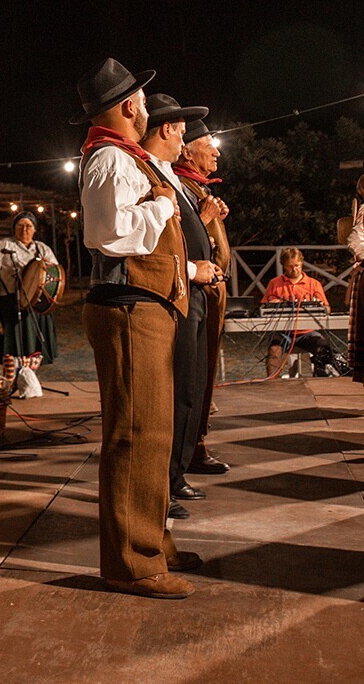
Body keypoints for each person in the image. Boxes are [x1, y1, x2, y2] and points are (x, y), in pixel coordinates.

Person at [72, 58, 206, 599]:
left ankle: (153, 543)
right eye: (144, 101)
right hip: (128, 306)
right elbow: (108, 234)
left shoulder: (126, 156)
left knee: (153, 434)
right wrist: (162, 207)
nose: (147, 109)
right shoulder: (109, 157)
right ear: (131, 106)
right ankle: (132, 563)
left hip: (144, 305)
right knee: (135, 435)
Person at [139, 94, 222, 516]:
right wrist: (193, 268)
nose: (184, 141)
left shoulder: (168, 175)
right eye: (183, 133)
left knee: (191, 387)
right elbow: (153, 244)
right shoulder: (147, 173)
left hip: (194, 291)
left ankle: (176, 474)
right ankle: (164, 482)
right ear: (168, 129)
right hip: (176, 292)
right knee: (177, 391)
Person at [175, 118, 231, 476]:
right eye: (208, 145)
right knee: (196, 374)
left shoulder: (195, 186)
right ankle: (191, 448)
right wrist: (205, 217)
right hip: (198, 289)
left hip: (212, 287)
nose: (216, 152)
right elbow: (180, 236)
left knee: (205, 372)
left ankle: (195, 443)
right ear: (187, 151)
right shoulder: (180, 184)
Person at [0, 213, 60, 368]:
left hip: (35, 301)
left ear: (34, 229)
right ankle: (11, 373)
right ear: (14, 228)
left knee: (33, 343)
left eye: (28, 226)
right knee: (12, 343)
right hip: (10, 299)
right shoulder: (4, 245)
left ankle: (30, 371)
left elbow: (54, 270)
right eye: (20, 225)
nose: (24, 229)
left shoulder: (42, 248)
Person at [262, 249, 334, 377]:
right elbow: (264, 306)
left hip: (307, 332)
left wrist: (320, 305)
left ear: (301, 263)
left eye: (297, 265)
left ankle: (322, 380)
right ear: (283, 266)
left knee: (323, 347)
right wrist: (274, 303)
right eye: (290, 266)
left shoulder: (313, 284)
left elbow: (327, 309)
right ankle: (271, 382)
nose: (294, 269)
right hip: (283, 332)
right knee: (274, 350)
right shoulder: (275, 283)